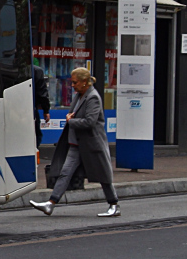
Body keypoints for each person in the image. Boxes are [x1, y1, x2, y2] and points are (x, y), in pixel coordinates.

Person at [31, 66, 120, 218]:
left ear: (85, 82)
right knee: (65, 173)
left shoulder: (93, 97)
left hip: (92, 144)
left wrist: (71, 121)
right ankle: (51, 203)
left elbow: (90, 122)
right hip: (76, 144)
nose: (72, 85)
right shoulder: (80, 95)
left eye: (75, 82)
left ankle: (113, 204)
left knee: (103, 175)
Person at [32, 63, 51, 148]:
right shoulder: (36, 71)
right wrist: (46, 110)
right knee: (36, 136)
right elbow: (42, 93)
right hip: (30, 108)